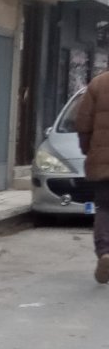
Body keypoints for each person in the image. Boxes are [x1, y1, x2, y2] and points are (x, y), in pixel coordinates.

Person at [72, 72, 109, 283]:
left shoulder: (98, 83)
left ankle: (105, 252)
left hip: (103, 162)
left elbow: (82, 123)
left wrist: (89, 150)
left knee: (105, 208)